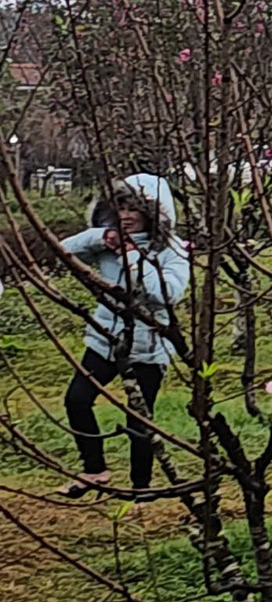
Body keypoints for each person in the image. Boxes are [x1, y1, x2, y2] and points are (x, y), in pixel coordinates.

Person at [54, 174, 189, 499]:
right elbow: (61, 252)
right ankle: (94, 470)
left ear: (153, 214)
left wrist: (132, 258)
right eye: (121, 207)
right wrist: (101, 236)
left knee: (139, 419)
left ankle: (140, 487)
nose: (127, 215)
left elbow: (168, 294)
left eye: (135, 209)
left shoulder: (172, 252)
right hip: (104, 339)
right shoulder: (107, 242)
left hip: (148, 347)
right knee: (77, 399)